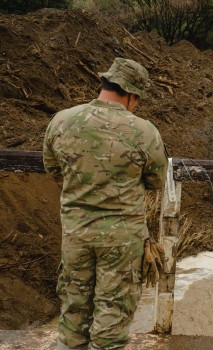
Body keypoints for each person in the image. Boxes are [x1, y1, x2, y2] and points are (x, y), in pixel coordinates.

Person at [43, 57, 168, 350]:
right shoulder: (144, 131)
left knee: (73, 318)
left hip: (76, 235)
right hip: (122, 242)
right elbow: (156, 181)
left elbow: (54, 170)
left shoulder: (62, 120)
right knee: (111, 324)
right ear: (130, 94)